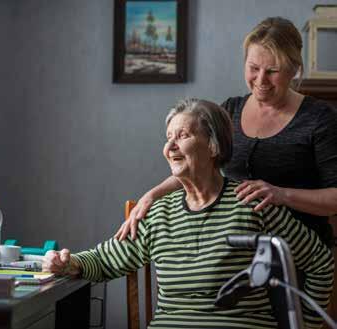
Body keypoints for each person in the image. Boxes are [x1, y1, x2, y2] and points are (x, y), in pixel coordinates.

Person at [44, 99, 333, 329]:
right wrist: (68, 264)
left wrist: (305, 324)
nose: (170, 147)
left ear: (212, 145)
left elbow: (320, 262)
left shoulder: (252, 203)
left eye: (182, 136)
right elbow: (105, 260)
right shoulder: (158, 214)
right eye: (168, 137)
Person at [115, 17, 337, 247]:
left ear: (294, 70)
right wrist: (153, 194)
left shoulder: (320, 118)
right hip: (234, 251)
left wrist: (282, 195)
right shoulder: (230, 110)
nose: (261, 80)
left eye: (273, 71)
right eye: (253, 68)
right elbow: (196, 164)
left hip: (300, 254)